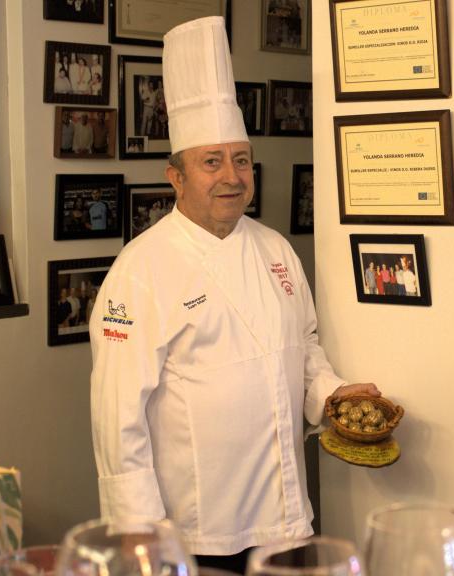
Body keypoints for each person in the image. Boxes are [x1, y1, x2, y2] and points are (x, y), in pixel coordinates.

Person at [89, 18, 378, 574]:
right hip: (198, 526)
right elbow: (115, 415)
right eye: (211, 161)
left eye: (240, 159)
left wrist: (335, 394)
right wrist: (139, 532)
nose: (232, 176)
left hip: (286, 512)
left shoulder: (276, 249)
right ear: (175, 176)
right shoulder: (141, 270)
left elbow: (303, 348)